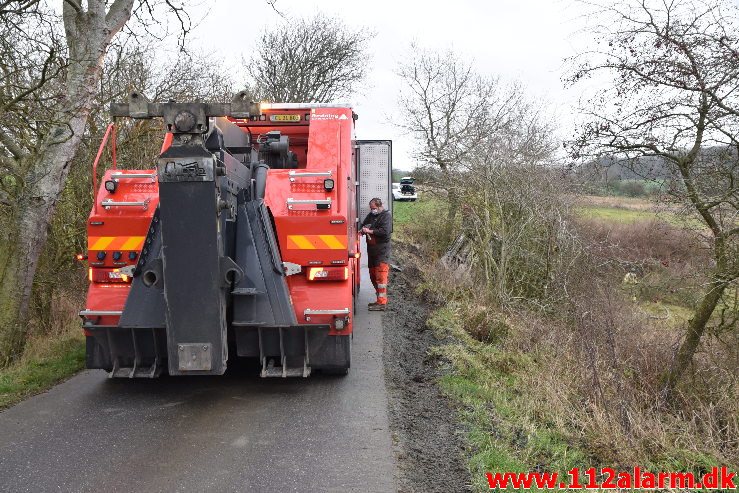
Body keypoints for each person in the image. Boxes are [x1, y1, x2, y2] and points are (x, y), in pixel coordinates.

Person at [361, 198, 392, 311]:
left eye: (374, 208)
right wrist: (362, 229)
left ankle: (382, 302)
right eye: (371, 208)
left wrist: (370, 231)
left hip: (382, 252)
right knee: (373, 275)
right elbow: (364, 224)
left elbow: (385, 232)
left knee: (380, 277)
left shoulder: (386, 216)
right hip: (372, 251)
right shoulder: (371, 216)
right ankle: (378, 299)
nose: (372, 210)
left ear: (379, 207)